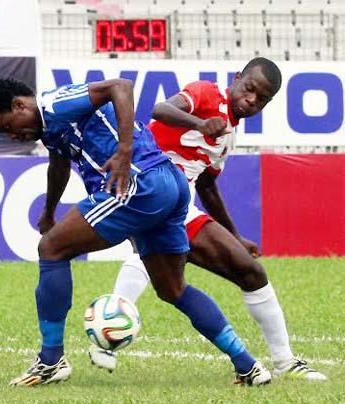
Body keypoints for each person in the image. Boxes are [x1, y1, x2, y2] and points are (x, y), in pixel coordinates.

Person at [0, 78, 272, 387]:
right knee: (172, 288)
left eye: (8, 126)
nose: (13, 136)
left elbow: (121, 86)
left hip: (139, 185)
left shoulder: (55, 104)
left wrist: (125, 149)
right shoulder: (51, 127)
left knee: (51, 249)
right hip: (170, 185)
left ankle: (51, 360)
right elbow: (59, 164)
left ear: (19, 105)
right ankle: (248, 366)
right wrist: (49, 211)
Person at [90, 58, 327, 380]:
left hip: (175, 199)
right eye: (249, 89)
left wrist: (235, 235)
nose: (251, 100)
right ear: (237, 78)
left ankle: (105, 341)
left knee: (165, 266)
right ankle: (285, 362)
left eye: (262, 99)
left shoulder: (229, 136)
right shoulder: (205, 94)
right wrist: (199, 123)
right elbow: (160, 109)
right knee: (249, 273)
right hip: (155, 183)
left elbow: (207, 186)